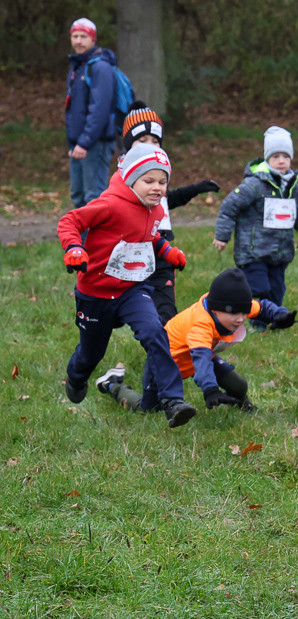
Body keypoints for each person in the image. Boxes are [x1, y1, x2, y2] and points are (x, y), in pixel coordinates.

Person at [58, 144, 196, 428]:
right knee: (91, 353)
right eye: (149, 181)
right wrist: (74, 247)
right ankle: (77, 375)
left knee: (156, 332)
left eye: (163, 181)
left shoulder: (155, 209)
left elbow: (148, 235)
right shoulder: (109, 204)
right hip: (95, 293)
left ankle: (172, 401)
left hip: (132, 289)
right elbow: (70, 220)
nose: (157, 188)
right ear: (131, 179)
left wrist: (167, 250)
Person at [96, 268, 297, 414]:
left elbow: (262, 308)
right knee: (148, 409)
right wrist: (210, 390)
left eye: (244, 312)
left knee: (239, 385)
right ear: (217, 310)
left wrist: (281, 315)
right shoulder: (200, 325)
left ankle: (243, 404)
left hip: (197, 358)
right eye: (236, 313)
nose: (241, 318)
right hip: (166, 364)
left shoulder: (232, 306)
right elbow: (201, 360)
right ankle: (111, 384)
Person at [214, 126, 298, 330]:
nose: (282, 160)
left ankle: (269, 322)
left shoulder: (294, 189)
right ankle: (246, 317)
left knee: (276, 290)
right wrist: (222, 236)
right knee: (259, 287)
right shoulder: (254, 185)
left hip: (280, 252)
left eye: (286, 156)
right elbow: (229, 206)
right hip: (253, 251)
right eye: (276, 156)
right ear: (267, 159)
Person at [120, 101, 221, 323]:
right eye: (142, 141)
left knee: (165, 310)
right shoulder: (123, 179)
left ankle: (168, 349)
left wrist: (195, 189)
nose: (150, 145)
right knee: (139, 311)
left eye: (155, 141)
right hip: (134, 254)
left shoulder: (158, 173)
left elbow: (167, 200)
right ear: (128, 145)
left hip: (163, 255)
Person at [65, 17, 118, 207]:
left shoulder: (100, 67)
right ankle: (80, 238)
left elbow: (100, 109)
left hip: (95, 143)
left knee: (93, 198)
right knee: (78, 197)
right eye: (75, 36)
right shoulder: (78, 67)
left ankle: (96, 238)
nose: (78, 41)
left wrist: (85, 142)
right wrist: (74, 143)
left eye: (83, 36)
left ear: (93, 39)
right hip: (78, 145)